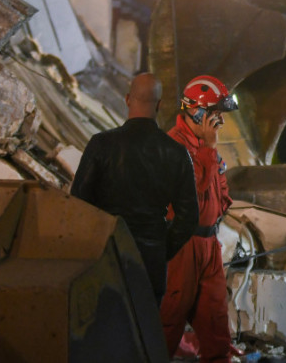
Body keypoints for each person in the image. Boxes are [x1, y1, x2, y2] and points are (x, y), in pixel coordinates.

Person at [71, 73, 199, 306]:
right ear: (159, 105)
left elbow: (78, 203)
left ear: (128, 99)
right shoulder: (176, 154)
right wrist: (161, 248)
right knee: (144, 335)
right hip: (150, 263)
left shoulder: (101, 144)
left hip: (106, 258)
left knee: (106, 331)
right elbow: (189, 218)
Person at [161, 75, 238, 362]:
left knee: (216, 327)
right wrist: (207, 149)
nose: (219, 119)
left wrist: (210, 152)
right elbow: (189, 196)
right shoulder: (172, 146)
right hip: (181, 247)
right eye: (215, 112)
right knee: (168, 323)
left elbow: (222, 195)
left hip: (209, 246)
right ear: (197, 111)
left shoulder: (207, 147)